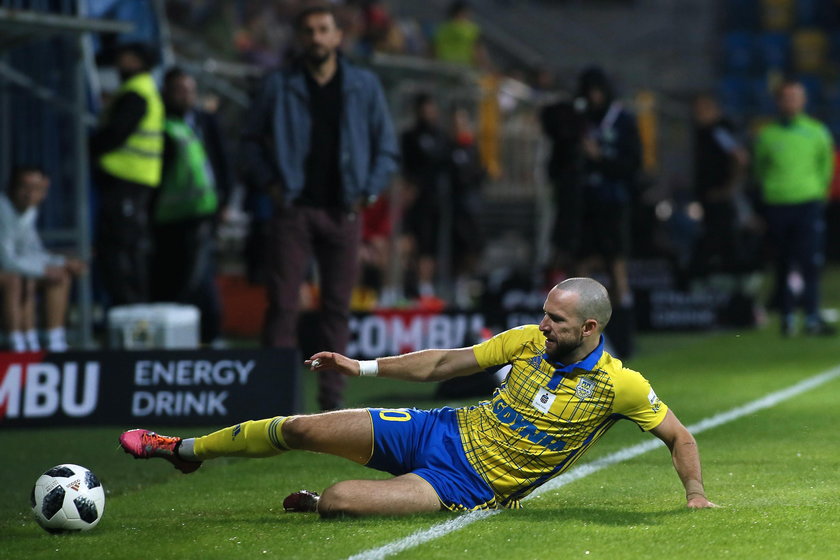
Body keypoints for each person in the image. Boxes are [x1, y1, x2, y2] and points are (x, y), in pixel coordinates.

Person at [119, 277, 716, 517]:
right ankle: (185, 447)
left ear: (590, 329)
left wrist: (694, 496)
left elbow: (679, 435)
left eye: (557, 321)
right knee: (301, 427)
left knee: (340, 502)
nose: (544, 326)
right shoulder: (524, 342)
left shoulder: (620, 385)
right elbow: (440, 362)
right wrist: (361, 365)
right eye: (544, 314)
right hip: (443, 429)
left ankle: (320, 502)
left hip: (470, 485)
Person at [239, 5, 399, 410]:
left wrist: (370, 190)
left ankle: (332, 405)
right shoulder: (279, 83)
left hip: (344, 211)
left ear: (337, 36)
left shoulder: (363, 84)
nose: (316, 37)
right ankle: (273, 405)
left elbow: (387, 148)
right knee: (284, 305)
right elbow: (249, 141)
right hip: (294, 208)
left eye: (323, 30)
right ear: (299, 37)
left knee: (337, 309)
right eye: (308, 31)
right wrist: (272, 185)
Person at [151, 67, 232, 346]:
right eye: (179, 90)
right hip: (167, 217)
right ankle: (176, 335)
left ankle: (210, 334)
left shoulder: (205, 121)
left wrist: (225, 200)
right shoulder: (161, 123)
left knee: (200, 276)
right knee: (173, 276)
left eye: (189, 90)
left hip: (201, 213)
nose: (186, 95)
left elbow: (221, 161)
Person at [754, 80, 835, 337]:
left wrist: (818, 192)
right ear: (778, 101)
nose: (790, 101)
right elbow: (760, 169)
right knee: (782, 262)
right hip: (777, 204)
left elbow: (826, 166)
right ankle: (787, 317)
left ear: (803, 101)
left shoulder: (817, 132)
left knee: (809, 261)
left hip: (807, 203)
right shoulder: (767, 135)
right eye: (786, 97)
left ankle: (811, 317)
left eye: (795, 97)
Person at [575, 67, 642, 359]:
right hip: (584, 202)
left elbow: (633, 163)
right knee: (581, 263)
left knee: (616, 264)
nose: (593, 97)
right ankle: (580, 334)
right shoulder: (579, 121)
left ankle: (623, 332)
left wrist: (600, 159)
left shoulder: (623, 120)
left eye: (597, 90)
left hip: (613, 201)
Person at [90, 42, 163, 306]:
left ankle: (131, 310)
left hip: (127, 180)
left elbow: (116, 134)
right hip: (133, 180)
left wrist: (89, 147)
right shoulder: (140, 89)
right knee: (125, 247)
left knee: (120, 250)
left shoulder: (136, 92)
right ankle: (131, 309)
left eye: (124, 58)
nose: (118, 63)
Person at [0, 166, 86, 351]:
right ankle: (16, 342)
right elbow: (7, 260)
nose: (30, 194)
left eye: (37, 189)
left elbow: (32, 251)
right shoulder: (2, 210)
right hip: (6, 273)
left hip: (10, 270)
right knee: (16, 279)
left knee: (59, 276)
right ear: (12, 188)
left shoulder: (29, 212)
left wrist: (63, 262)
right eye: (25, 187)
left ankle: (54, 340)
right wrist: (43, 270)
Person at [692, 94, 749, 274]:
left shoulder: (718, 130)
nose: (697, 115)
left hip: (720, 196)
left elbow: (740, 157)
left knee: (721, 239)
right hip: (711, 195)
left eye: (701, 111)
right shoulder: (705, 132)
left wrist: (729, 188)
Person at [401, 93, 450, 298]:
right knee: (414, 242)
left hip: (437, 199)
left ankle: (427, 285)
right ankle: (410, 285)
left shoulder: (441, 136)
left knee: (431, 243)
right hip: (416, 199)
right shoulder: (410, 137)